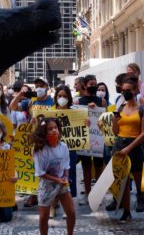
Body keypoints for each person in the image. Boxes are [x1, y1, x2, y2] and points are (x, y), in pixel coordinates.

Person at [10, 77, 54, 207]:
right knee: (34, 168)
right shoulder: (30, 102)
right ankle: (34, 195)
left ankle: (50, 198)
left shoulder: (52, 102)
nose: (39, 88)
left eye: (42, 85)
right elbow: (12, 106)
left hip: (48, 140)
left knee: (48, 169)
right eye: (37, 85)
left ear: (47, 87)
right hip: (33, 141)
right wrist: (18, 96)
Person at [32, 118, 76, 235]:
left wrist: (65, 177)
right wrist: (57, 179)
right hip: (46, 186)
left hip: (62, 183)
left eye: (55, 128)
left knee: (71, 212)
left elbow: (66, 166)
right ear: (44, 133)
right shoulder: (40, 150)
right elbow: (40, 173)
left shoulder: (64, 147)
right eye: (50, 129)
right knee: (43, 217)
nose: (54, 131)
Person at [112, 77, 144, 221]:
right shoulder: (120, 108)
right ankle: (126, 210)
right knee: (123, 180)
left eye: (128, 90)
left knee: (139, 180)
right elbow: (115, 131)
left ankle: (141, 200)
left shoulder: (142, 109)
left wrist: (130, 147)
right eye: (123, 90)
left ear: (135, 91)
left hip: (135, 145)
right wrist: (114, 120)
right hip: (120, 143)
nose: (125, 92)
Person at [49, 85, 78, 219]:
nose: (62, 99)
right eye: (59, 96)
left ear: (69, 98)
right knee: (54, 177)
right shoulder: (50, 112)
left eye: (65, 96)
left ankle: (68, 207)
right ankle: (53, 206)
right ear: (56, 97)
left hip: (69, 150)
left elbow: (81, 127)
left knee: (68, 177)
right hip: (53, 149)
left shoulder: (74, 113)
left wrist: (86, 123)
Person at [77, 75, 106, 206]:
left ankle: (98, 194)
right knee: (86, 166)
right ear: (84, 84)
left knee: (99, 166)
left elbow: (105, 119)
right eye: (91, 84)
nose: (93, 86)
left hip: (98, 138)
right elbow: (76, 119)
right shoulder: (78, 101)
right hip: (85, 138)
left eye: (95, 83)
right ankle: (88, 193)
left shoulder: (102, 101)